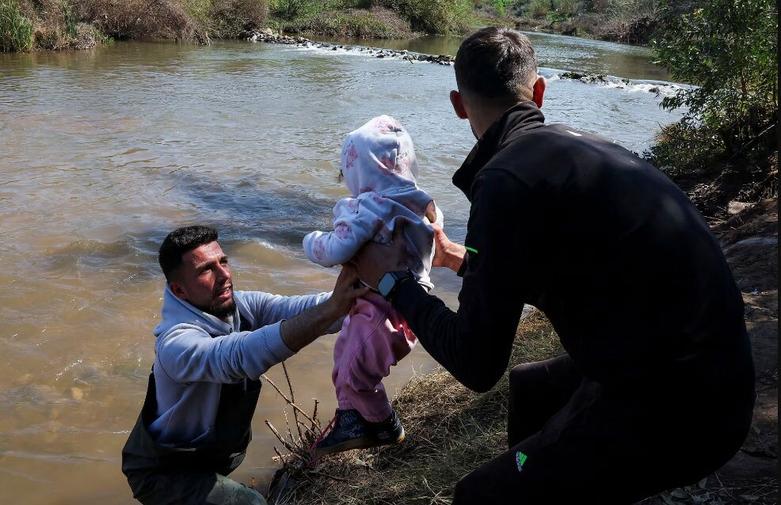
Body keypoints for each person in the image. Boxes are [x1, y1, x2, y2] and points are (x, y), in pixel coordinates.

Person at [353, 27, 755, 504]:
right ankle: (539, 478)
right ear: (539, 91)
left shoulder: (505, 181)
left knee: (478, 496)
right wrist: (464, 261)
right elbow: (580, 269)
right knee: (531, 390)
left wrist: (394, 282)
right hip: (711, 374)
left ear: (459, 104)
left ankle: (529, 483)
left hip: (675, 408)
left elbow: (476, 363)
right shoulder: (585, 149)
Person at [121, 225, 367, 505]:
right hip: (164, 472)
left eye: (223, 261)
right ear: (179, 290)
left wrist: (366, 292)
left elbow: (307, 310)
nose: (224, 275)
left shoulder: (242, 307)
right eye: (206, 270)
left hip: (206, 458)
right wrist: (333, 307)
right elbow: (240, 355)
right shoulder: (176, 343)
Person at [302, 115, 443, 455]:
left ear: (360, 171)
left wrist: (311, 240)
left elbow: (336, 250)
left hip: (381, 311)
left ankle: (383, 426)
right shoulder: (421, 203)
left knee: (354, 370)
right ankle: (354, 417)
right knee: (349, 360)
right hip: (407, 308)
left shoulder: (369, 207)